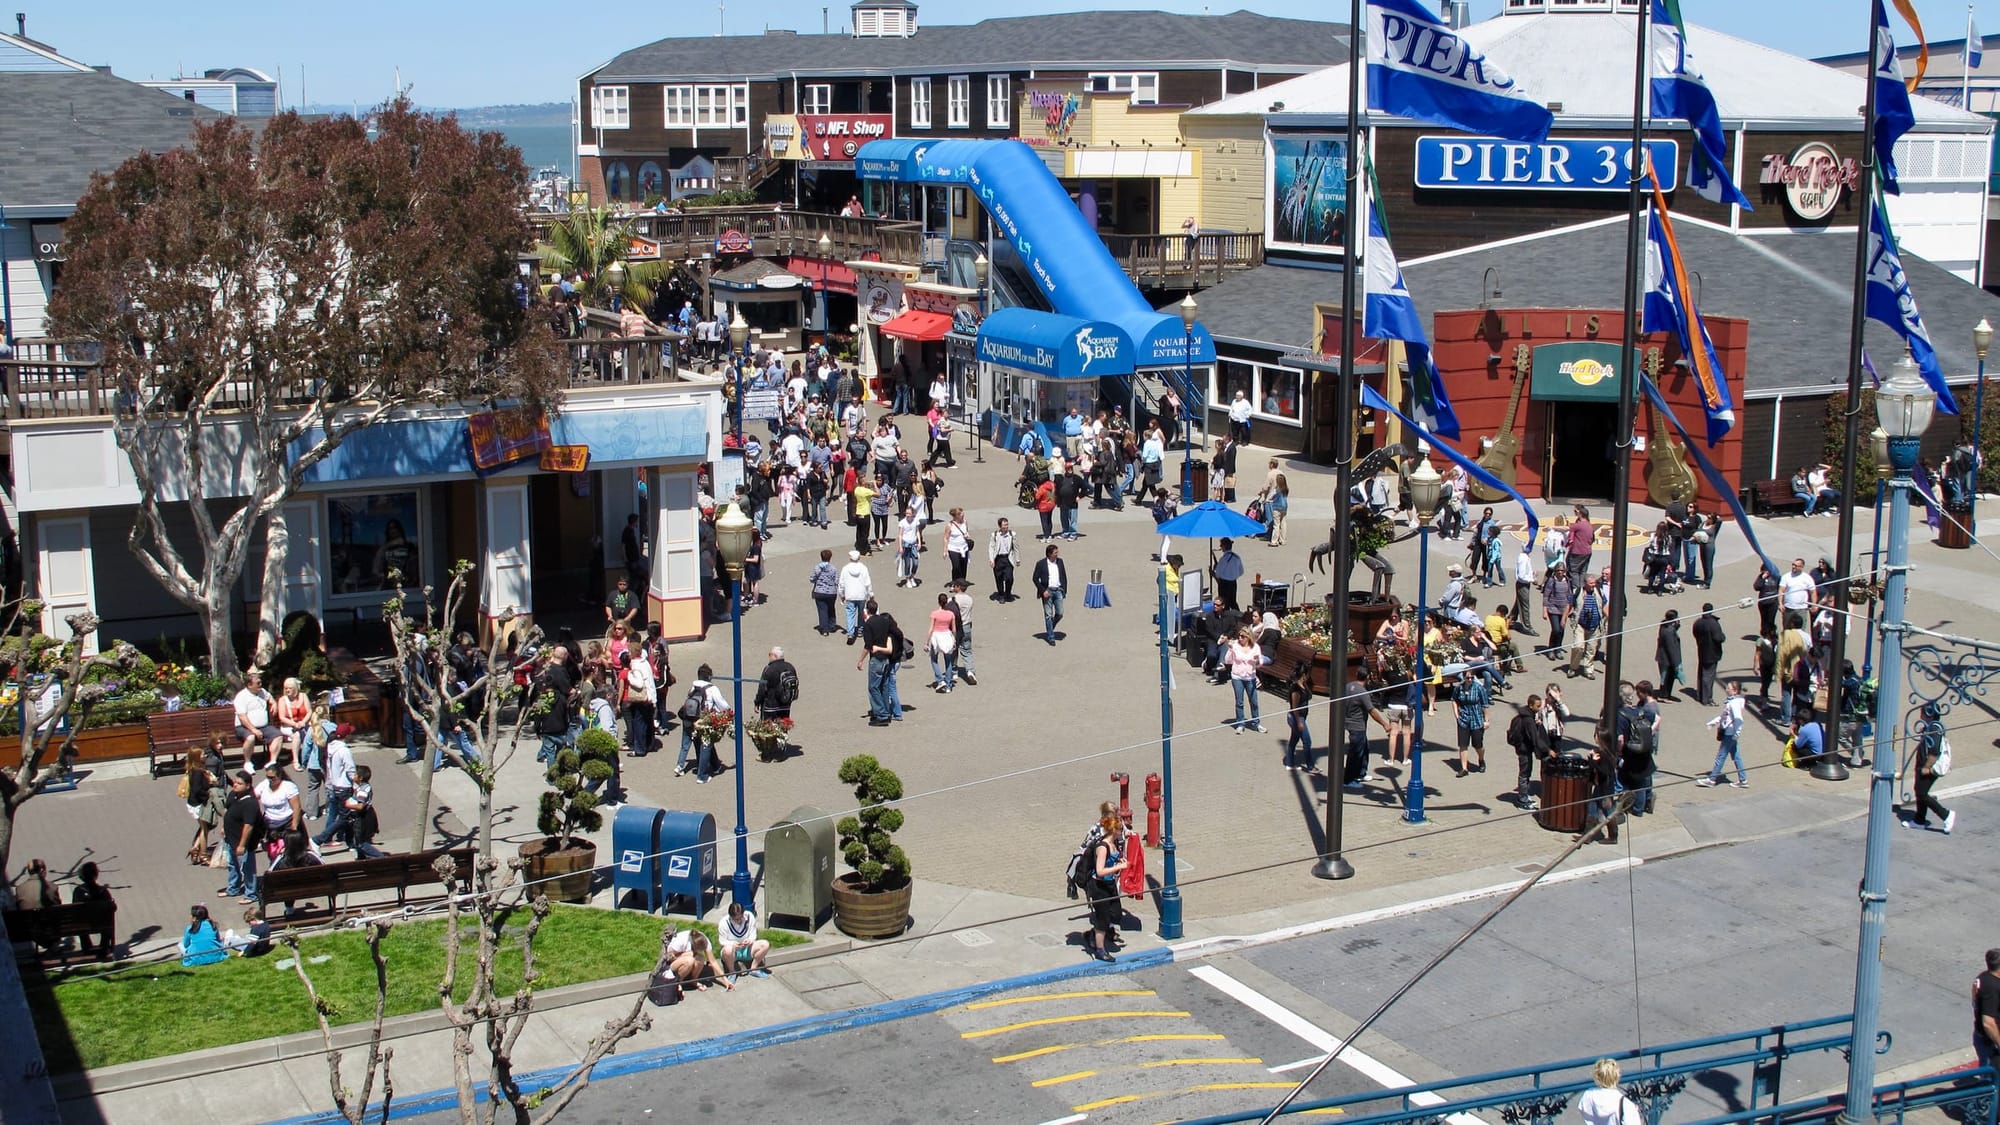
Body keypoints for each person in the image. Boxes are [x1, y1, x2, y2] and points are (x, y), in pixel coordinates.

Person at [1082, 814, 1129, 963]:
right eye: (1120, 828)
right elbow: (1100, 871)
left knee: (1116, 915)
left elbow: (1112, 859)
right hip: (1099, 887)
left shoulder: (1114, 844)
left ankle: (1093, 934)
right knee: (1103, 919)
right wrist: (1118, 867)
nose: (1122, 831)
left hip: (1110, 885)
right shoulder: (1102, 847)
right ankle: (1100, 950)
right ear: (1113, 830)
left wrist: (1119, 860)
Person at [1904, 703, 1955, 832]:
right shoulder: (1929, 727)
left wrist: (1927, 767)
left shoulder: (1934, 729)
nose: (1920, 715)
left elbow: (1934, 751)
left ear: (1929, 715)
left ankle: (1946, 814)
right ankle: (1919, 820)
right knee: (1919, 791)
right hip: (1922, 764)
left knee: (1922, 793)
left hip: (1928, 766)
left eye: (1922, 713)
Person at [676, 665, 729, 778]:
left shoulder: (693, 687)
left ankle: (680, 766)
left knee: (686, 744)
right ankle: (702, 775)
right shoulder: (712, 689)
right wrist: (728, 713)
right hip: (702, 720)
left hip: (689, 719)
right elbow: (723, 705)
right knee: (706, 745)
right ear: (709, 676)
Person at [860, 601, 904, 727]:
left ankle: (881, 715)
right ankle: (886, 712)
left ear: (867, 610)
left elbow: (868, 645)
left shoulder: (868, 624)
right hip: (886, 659)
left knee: (873, 687)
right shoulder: (885, 621)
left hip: (876, 659)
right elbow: (895, 632)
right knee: (884, 686)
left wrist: (861, 660)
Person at [1698, 681, 1748, 789]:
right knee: (1736, 756)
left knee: (1721, 756)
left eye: (1728, 688)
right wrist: (1713, 722)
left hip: (1729, 733)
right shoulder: (1732, 702)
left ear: (1734, 691)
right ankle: (1743, 779)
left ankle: (1712, 779)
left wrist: (1736, 733)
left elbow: (1738, 720)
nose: (1726, 689)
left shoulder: (1733, 703)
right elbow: (1725, 716)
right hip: (1730, 733)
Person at [1508, 694, 1554, 811]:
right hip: (1524, 750)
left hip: (1522, 748)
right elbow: (1535, 739)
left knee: (1525, 773)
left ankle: (1524, 796)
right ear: (1530, 705)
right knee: (1524, 774)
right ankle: (1522, 800)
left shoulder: (1525, 715)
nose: (1539, 708)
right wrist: (1548, 750)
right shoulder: (1528, 720)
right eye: (1537, 706)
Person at [233, 669, 281, 769]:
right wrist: (254, 730)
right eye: (258, 683)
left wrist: (274, 703)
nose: (260, 684)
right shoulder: (241, 697)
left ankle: (272, 762)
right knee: (250, 737)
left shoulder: (262, 692)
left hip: (264, 726)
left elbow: (270, 698)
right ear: (249, 685)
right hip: (244, 727)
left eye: (260, 682)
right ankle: (248, 763)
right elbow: (242, 717)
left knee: (278, 735)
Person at [1576, 1059, 1644, 1125]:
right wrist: (1633, 1111)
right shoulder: (1626, 1105)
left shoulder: (1588, 1095)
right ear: (1617, 1076)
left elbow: (1584, 1111)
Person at [1223, 627, 1265, 734]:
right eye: (1239, 636)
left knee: (1254, 701)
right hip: (1237, 677)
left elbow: (1260, 664)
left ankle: (1256, 723)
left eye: (1243, 636)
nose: (1240, 638)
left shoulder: (1255, 647)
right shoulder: (1235, 646)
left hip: (1250, 677)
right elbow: (1227, 660)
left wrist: (1257, 660)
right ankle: (1240, 723)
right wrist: (1230, 649)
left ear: (1248, 637)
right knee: (1239, 702)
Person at [667, 928, 735, 992]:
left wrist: (725, 980)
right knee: (690, 960)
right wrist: (686, 955)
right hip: (672, 963)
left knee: (700, 958)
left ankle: (693, 980)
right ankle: (677, 983)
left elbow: (713, 962)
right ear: (694, 946)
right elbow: (669, 956)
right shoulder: (681, 941)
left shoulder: (704, 940)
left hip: (687, 958)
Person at [1452, 669, 1490, 778]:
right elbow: (1454, 700)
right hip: (1463, 719)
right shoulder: (1459, 688)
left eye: (1472, 678)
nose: (1470, 680)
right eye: (1468, 678)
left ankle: (1481, 760)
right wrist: (1457, 715)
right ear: (1463, 678)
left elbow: (1485, 705)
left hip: (1477, 719)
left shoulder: (1479, 688)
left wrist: (1486, 720)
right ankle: (1464, 768)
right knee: (1463, 745)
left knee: (1478, 745)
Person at [622, 647, 659, 758]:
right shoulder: (645, 662)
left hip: (642, 699)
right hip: (650, 697)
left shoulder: (635, 665)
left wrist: (629, 676)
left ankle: (639, 749)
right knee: (648, 722)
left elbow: (638, 684)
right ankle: (650, 744)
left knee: (638, 723)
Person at [720, 901, 772, 979]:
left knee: (765, 944)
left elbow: (753, 934)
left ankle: (753, 969)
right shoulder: (723, 923)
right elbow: (722, 941)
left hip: (747, 949)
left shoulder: (750, 916)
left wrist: (750, 940)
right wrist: (733, 944)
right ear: (731, 917)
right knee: (727, 950)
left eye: (741, 917)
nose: (739, 921)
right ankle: (732, 973)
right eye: (736, 919)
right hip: (732, 952)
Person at [1033, 543, 1069, 646]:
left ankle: (1050, 628)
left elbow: (1063, 576)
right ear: (1049, 554)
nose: (1057, 554)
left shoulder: (1060, 562)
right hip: (1047, 591)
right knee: (1048, 615)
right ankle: (1051, 637)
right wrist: (1042, 591)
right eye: (1055, 553)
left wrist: (1064, 590)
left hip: (1058, 590)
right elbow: (1035, 578)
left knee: (1060, 613)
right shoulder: (1041, 564)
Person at [1282, 665, 1316, 772]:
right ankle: (1310, 766)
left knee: (1294, 740)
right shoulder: (1295, 689)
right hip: (1296, 718)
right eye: (1308, 674)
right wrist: (1299, 723)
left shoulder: (1303, 685)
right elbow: (1294, 708)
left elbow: (1309, 696)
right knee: (1307, 741)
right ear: (1304, 675)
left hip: (1301, 717)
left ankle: (1289, 763)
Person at [755, 646, 799, 721]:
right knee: (783, 727)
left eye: (770, 655)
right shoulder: (790, 667)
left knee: (768, 730)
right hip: (785, 705)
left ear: (775, 656)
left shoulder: (769, 669)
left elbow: (762, 688)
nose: (769, 657)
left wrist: (757, 702)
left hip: (770, 707)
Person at [947, 578, 978, 687]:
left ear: (958, 587)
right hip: (967, 626)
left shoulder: (952, 600)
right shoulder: (970, 599)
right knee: (967, 650)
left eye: (954, 586)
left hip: (955, 628)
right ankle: (970, 671)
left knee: (953, 649)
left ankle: (953, 671)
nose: (953, 587)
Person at [838, 550, 874, 643]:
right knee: (861, 613)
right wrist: (871, 594)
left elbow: (841, 584)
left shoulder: (845, 568)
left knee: (850, 614)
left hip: (850, 595)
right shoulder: (863, 568)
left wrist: (841, 595)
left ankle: (850, 633)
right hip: (862, 595)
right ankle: (860, 631)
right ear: (859, 558)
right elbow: (867, 583)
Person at [1975, 950, 2000, 1073]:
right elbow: (1988, 1023)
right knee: (1991, 1079)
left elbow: (1974, 1001)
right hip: (1991, 1043)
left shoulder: (1982, 977)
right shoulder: (1992, 988)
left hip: (1983, 1038)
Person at [989, 517, 1020, 602]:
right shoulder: (995, 535)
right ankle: (1001, 595)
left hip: (1008, 559)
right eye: (1004, 525)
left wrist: (1017, 559)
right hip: (998, 559)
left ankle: (1008, 593)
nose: (1006, 526)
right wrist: (992, 560)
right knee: (998, 578)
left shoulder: (1012, 534)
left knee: (1009, 578)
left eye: (1007, 524)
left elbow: (1016, 547)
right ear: (1000, 526)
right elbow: (991, 548)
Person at [1655, 610, 1684, 702]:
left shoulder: (1664, 625)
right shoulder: (1669, 632)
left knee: (1665, 677)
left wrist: (1677, 625)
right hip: (1667, 659)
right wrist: (1676, 663)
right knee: (1667, 678)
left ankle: (1665, 694)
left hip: (1663, 657)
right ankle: (1664, 695)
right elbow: (1671, 648)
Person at [1213, 538, 1245, 611]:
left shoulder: (1223, 559)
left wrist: (1213, 571)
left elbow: (1218, 574)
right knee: (1233, 602)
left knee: (1224, 604)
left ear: (1224, 546)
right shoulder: (1237, 557)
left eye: (1221, 546)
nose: (1220, 547)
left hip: (1224, 584)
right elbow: (1241, 572)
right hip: (1233, 583)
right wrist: (1233, 575)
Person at [944, 507, 972, 585]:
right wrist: (945, 551)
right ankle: (955, 582)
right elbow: (946, 538)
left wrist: (967, 535)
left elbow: (966, 531)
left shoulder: (965, 522)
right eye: (960, 514)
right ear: (956, 516)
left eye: (962, 514)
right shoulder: (950, 525)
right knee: (956, 566)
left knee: (964, 566)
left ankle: (962, 582)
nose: (963, 515)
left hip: (964, 548)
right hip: (953, 548)